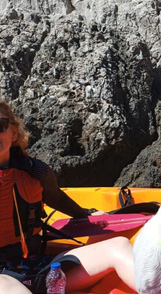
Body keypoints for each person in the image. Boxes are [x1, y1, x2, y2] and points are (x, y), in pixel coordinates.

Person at [0, 100, 135, 294]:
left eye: (0, 126)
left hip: (40, 268)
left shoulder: (35, 172)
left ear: (13, 133)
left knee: (119, 246)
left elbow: (59, 200)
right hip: (3, 279)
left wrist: (88, 215)